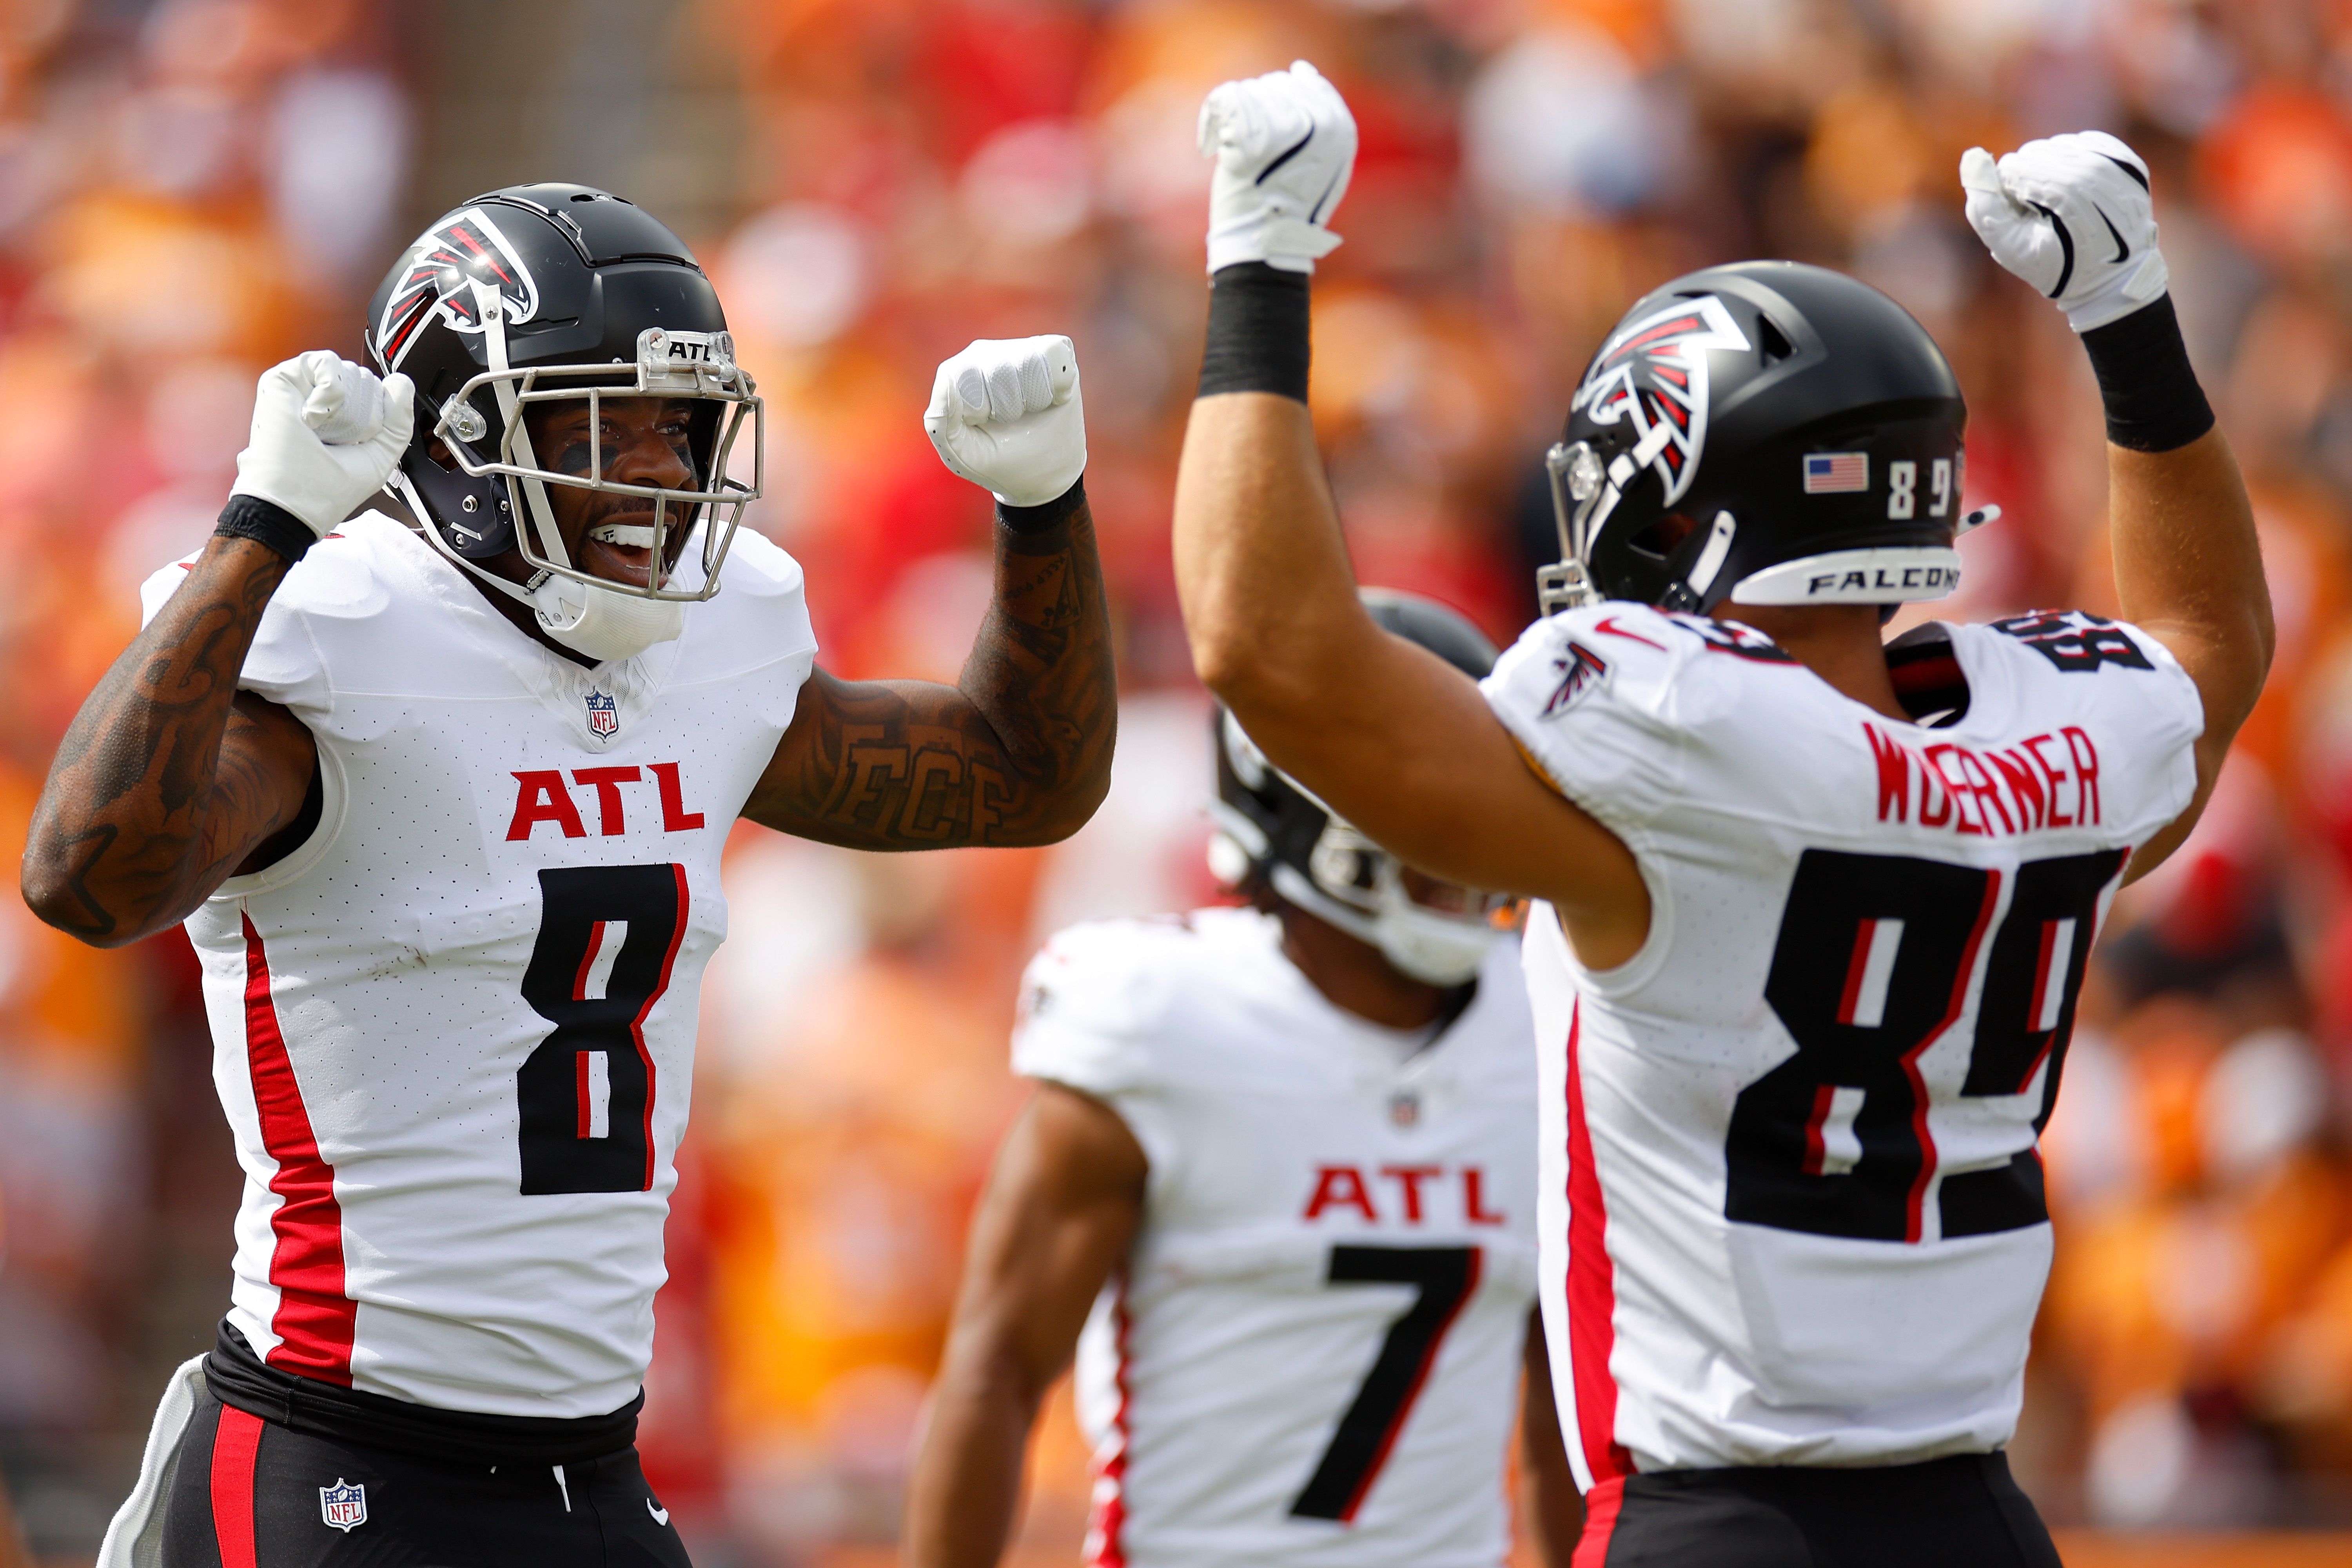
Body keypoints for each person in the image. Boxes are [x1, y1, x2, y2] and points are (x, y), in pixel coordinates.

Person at [1170, 65, 2269, 1568]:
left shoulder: (1674, 742)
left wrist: (1259, 257)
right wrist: (2131, 321)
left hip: (1726, 1518)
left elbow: (1264, 650)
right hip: (1983, 1525)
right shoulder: (2054, 734)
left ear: (1680, 495)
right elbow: (2213, 646)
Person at [25, 185, 1116, 1568]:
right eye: (607, 422)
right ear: (464, 429)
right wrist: (260, 529)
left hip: (593, 1475)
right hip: (339, 1460)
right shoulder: (345, 643)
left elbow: (1024, 776)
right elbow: (85, 881)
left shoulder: (708, 653)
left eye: (685, 426)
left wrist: (1044, 510)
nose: (664, 472)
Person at [903, 590, 1579, 1568]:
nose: (1465, 811)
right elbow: (996, 1371)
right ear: (1295, 792)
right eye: (1425, 775)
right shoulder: (1162, 1019)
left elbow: (1562, 1408)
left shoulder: (1538, 1028)